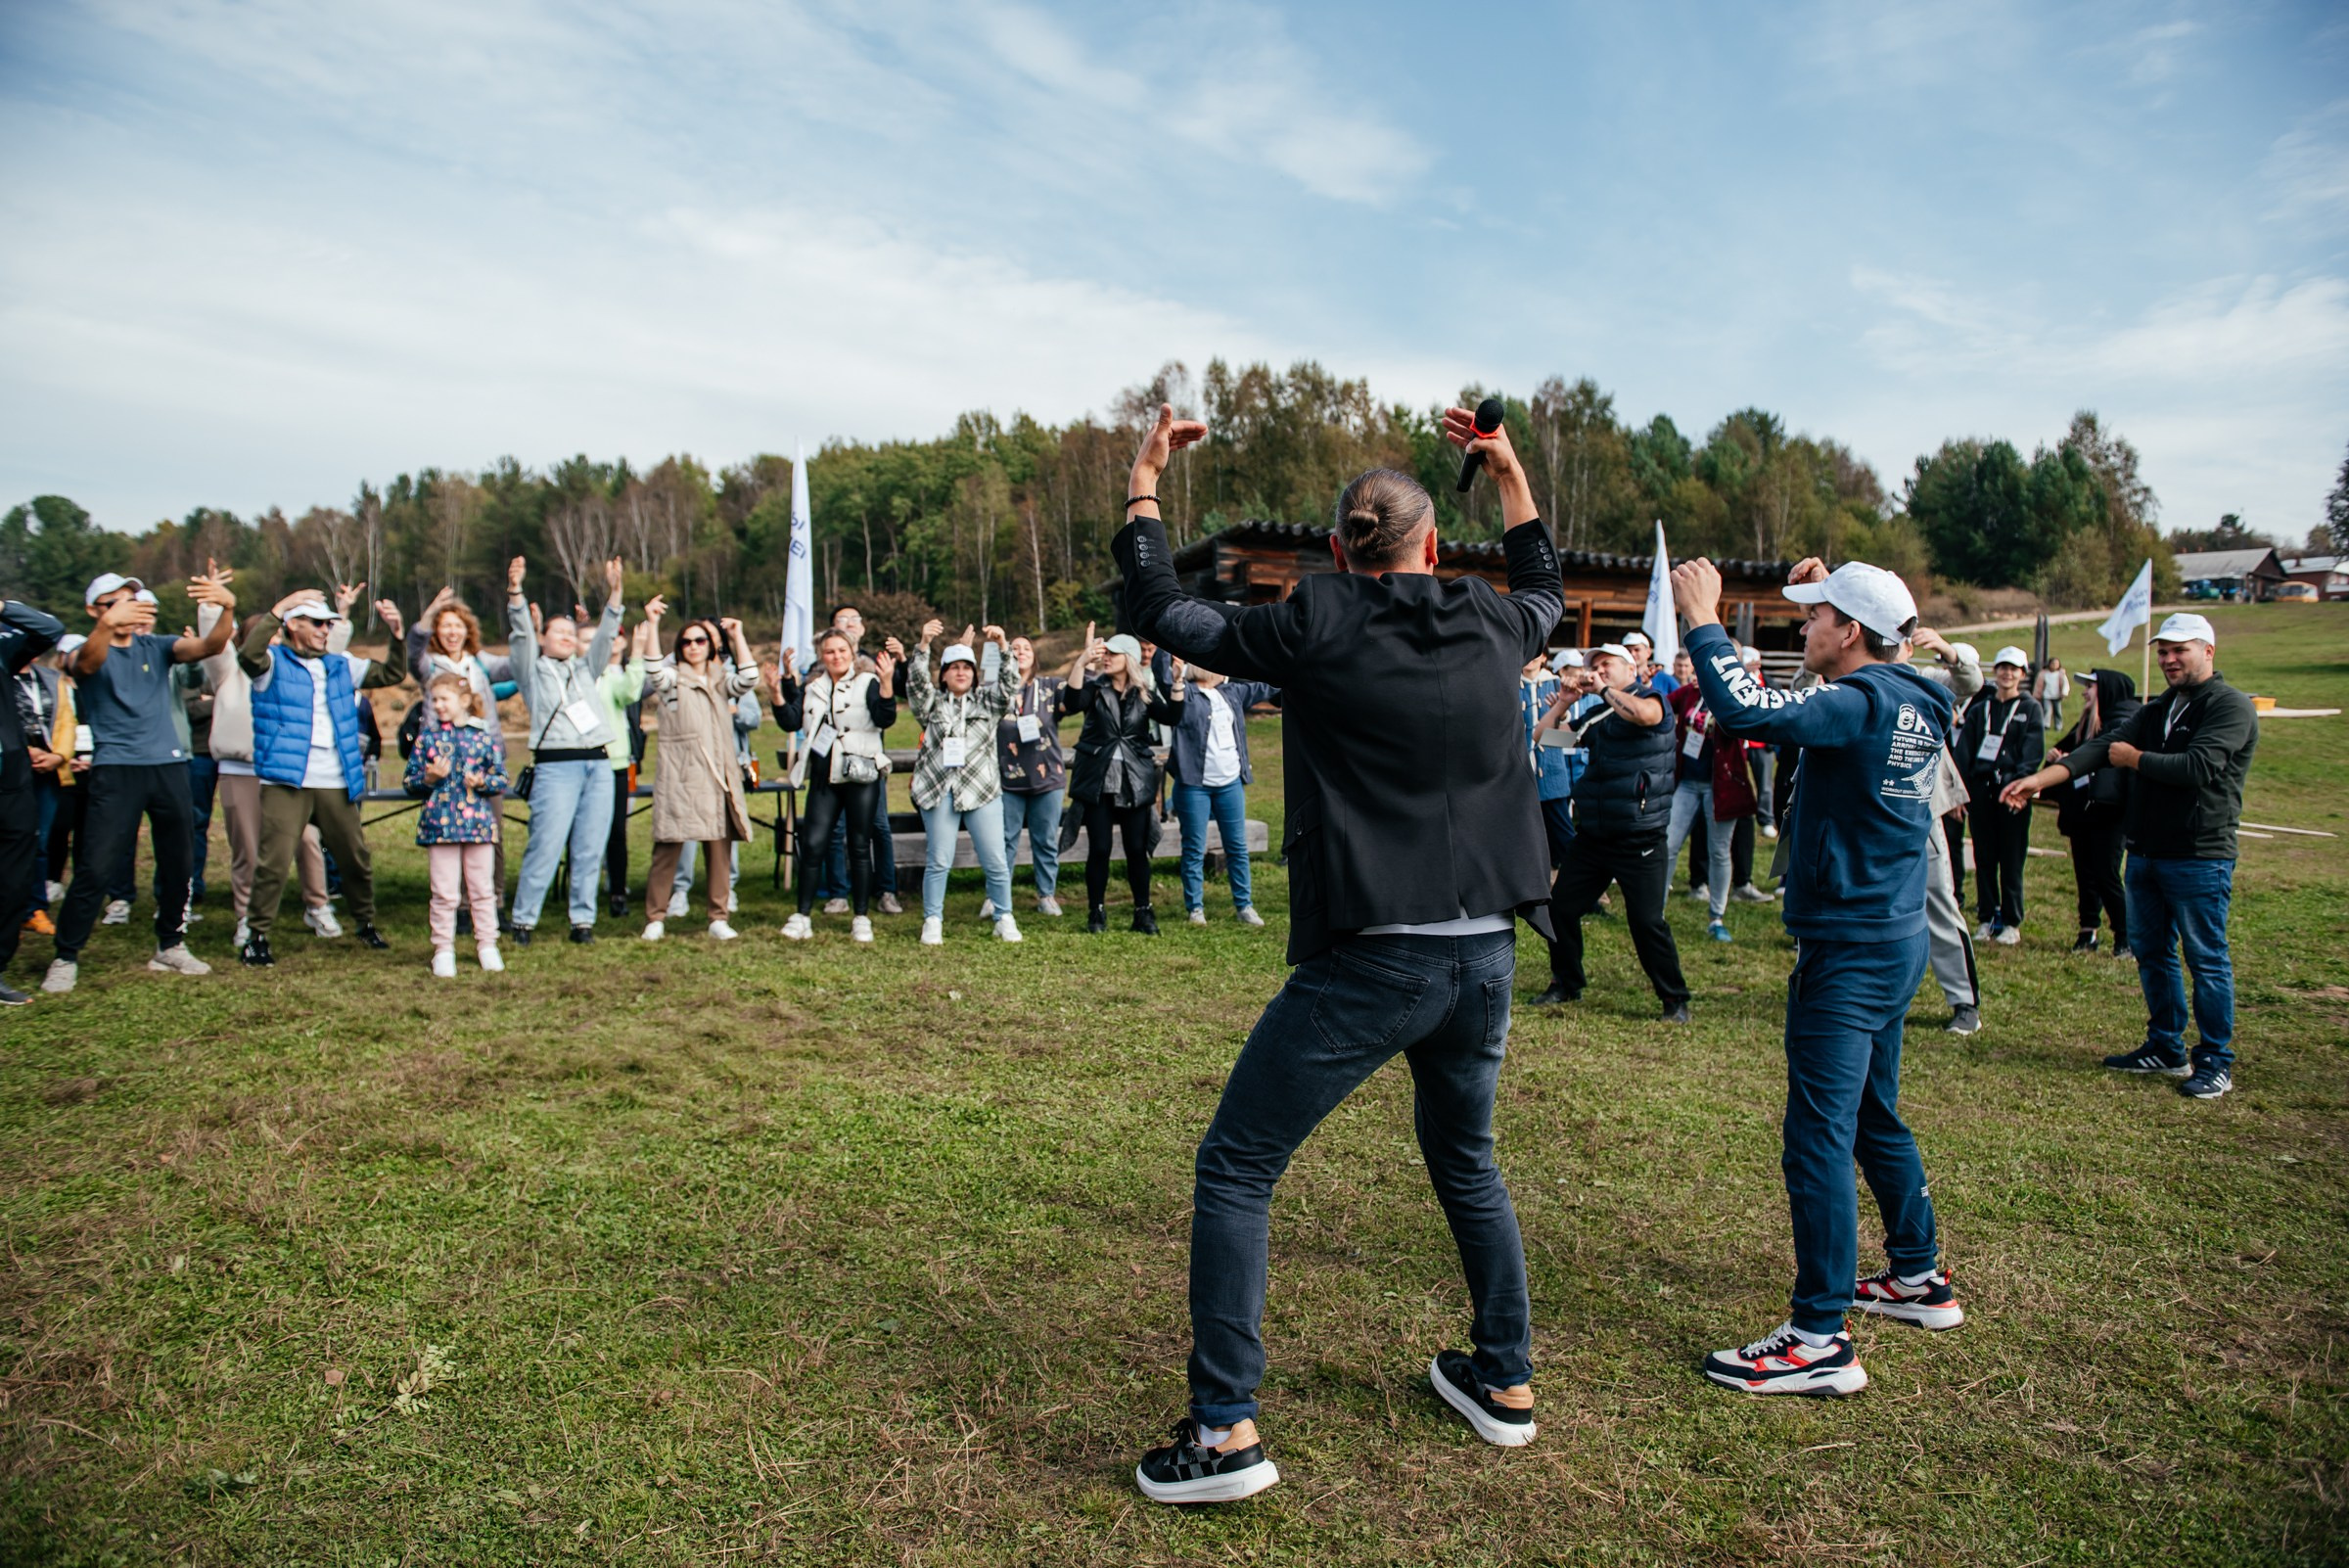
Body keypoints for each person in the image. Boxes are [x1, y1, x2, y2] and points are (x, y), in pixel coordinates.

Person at [1116, 403, 1563, 1502]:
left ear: (1336, 552)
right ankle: (1503, 1382)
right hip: (1489, 951)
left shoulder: (1316, 616)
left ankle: (1224, 1435)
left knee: (1237, 1166)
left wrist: (1143, 482)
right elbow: (1546, 583)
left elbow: (1159, 606)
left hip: (1379, 954)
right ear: (1431, 548)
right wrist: (1507, 474)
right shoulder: (1496, 621)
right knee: (1468, 1162)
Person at [1670, 555, 1963, 1398]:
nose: (1804, 629)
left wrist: (1702, 619)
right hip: (1895, 933)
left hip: (1851, 948)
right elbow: (1876, 658)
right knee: (1873, 1113)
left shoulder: (1861, 702)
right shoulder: (1916, 695)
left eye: (1817, 618)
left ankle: (1818, 1336)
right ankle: (1915, 1277)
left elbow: (1743, 706)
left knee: (1819, 1135)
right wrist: (1844, 588)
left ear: (1853, 633)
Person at [2001, 614, 2258, 1100]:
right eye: (2163, 651)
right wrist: (2040, 780)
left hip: (2199, 855)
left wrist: (2133, 759)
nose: (2168, 659)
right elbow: (2099, 747)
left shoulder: (2231, 706)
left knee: (2205, 959)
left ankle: (2215, 1060)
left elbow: (2198, 767)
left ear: (2208, 651)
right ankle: (2164, 1046)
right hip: (2144, 852)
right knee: (2153, 954)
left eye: (2179, 650)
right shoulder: (2161, 707)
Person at [44, 568, 237, 994]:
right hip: (117, 768)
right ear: (95, 609)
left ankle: (170, 944)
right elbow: (88, 664)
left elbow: (212, 645)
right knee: (96, 865)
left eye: (133, 599)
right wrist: (107, 626)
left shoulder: (158, 645)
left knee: (179, 862)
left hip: (167, 766)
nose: (131, 607)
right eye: (118, 601)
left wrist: (227, 606)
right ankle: (65, 955)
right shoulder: (82, 644)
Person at [234, 589, 407, 966]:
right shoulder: (272, 663)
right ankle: (257, 935)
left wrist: (397, 636)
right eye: (317, 622)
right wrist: (278, 607)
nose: (325, 629)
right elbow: (247, 655)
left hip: (335, 778)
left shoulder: (341, 663)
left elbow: (392, 673)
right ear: (293, 625)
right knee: (273, 861)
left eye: (329, 623)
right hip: (287, 779)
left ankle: (365, 924)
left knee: (355, 857)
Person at [1534, 643, 1690, 1018]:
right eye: (1594, 666)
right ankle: (1566, 983)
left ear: (1631, 670)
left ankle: (1674, 998)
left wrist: (1601, 688)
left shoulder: (1653, 701)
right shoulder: (1600, 714)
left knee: (1646, 922)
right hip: (1594, 837)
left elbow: (1643, 716)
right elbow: (1546, 737)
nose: (1598, 670)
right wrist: (1564, 703)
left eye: (1607, 665)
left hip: (1641, 838)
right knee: (1561, 908)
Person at [197, 596, 337, 949]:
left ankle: (317, 905)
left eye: (277, 637)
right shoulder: (230, 667)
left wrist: (342, 613)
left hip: (283, 770)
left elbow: (332, 654)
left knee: (307, 840)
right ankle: (245, 918)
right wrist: (213, 606)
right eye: (264, 636)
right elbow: (213, 644)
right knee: (247, 846)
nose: (272, 643)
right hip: (241, 769)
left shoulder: (291, 667)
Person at [506, 555, 625, 945]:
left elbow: (605, 637)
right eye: (558, 632)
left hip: (598, 765)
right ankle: (523, 921)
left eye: (571, 633)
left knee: (590, 847)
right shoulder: (532, 672)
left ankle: (582, 921)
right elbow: (522, 636)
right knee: (546, 843)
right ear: (544, 638)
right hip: (557, 768)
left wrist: (615, 593)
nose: (566, 638)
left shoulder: (586, 669)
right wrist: (516, 593)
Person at [901, 620, 1022, 945]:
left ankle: (1004, 916)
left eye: (966, 667)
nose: (960, 673)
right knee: (939, 859)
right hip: (938, 789)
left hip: (981, 790)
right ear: (943, 674)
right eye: (953, 668)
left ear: (974, 673)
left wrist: (1002, 646)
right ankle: (932, 919)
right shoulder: (932, 705)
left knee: (995, 860)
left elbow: (1010, 685)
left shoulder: (988, 702)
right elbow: (915, 685)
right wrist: (924, 644)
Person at [641, 615, 759, 942]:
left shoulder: (721, 679)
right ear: (678, 648)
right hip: (681, 777)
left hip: (717, 776)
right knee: (668, 848)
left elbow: (749, 678)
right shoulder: (671, 681)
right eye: (686, 642)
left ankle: (718, 916)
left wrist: (738, 635)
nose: (693, 647)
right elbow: (651, 668)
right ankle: (655, 917)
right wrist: (651, 624)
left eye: (700, 641)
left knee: (719, 849)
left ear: (710, 647)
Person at [777, 628, 898, 942]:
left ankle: (861, 916)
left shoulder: (867, 682)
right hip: (824, 776)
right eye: (830, 651)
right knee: (814, 842)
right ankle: (801, 914)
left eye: (842, 650)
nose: (836, 656)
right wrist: (777, 693)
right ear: (822, 656)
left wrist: (886, 684)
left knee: (859, 845)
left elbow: (885, 719)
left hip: (860, 773)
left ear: (852, 651)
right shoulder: (814, 687)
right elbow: (791, 721)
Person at [409, 588, 520, 922]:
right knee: (449, 836)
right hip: (442, 766)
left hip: (481, 764)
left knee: (491, 832)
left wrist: (530, 629)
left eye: (457, 625)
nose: (452, 632)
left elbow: (518, 665)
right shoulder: (430, 668)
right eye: (445, 626)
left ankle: (492, 901)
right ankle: (455, 906)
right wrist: (429, 615)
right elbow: (413, 651)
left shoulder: (481, 664)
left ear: (467, 630)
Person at [1065, 625, 1179, 935]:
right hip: (1099, 780)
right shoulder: (1096, 688)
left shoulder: (1143, 692)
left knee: (1136, 848)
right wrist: (1081, 662)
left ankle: (1143, 912)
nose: (1108, 658)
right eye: (1107, 653)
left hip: (1134, 780)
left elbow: (1173, 717)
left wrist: (1178, 682)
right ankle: (1096, 912)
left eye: (1114, 654)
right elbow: (1073, 701)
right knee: (1099, 848)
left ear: (1127, 658)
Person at [1908, 628, 1985, 1037]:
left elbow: (1970, 683)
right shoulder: (1846, 677)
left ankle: (1964, 1002)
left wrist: (1948, 652)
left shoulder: (1922, 680)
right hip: (1866, 816)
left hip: (1921, 812)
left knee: (1939, 900)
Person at [406, 671, 508, 977]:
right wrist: (429, 778)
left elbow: (501, 778)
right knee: (444, 892)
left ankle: (487, 944)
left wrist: (482, 781)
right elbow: (410, 782)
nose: (438, 705)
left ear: (463, 701)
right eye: (433, 699)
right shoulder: (427, 740)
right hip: (440, 827)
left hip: (477, 826)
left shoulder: (482, 738)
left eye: (444, 699)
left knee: (481, 889)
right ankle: (443, 948)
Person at [1164, 659, 1279, 926]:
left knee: (1237, 847)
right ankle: (1195, 909)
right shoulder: (1186, 693)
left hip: (1230, 783)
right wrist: (1175, 668)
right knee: (1194, 847)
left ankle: (1244, 906)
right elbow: (1168, 687)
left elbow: (1265, 687)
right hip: (1194, 785)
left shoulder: (1232, 692)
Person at [813, 603, 903, 916]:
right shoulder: (817, 671)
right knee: (836, 830)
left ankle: (886, 890)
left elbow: (891, 702)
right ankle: (839, 892)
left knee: (877, 826)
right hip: (831, 763)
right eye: (843, 620)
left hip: (866, 761)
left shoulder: (872, 665)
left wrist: (900, 662)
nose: (850, 624)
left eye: (855, 619)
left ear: (862, 629)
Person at [0, 597, 65, 1003]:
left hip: (10, 781)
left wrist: (4, 605)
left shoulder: (4, 648)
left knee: (12, 878)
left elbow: (49, 630)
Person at [1956, 646, 2043, 945]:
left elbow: (2032, 753)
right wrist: (1962, 793)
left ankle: (2011, 921)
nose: (2007, 674)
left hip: (2012, 792)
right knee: (1985, 857)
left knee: (2011, 858)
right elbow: (1965, 752)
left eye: (2013, 669)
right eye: (2003, 668)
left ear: (2022, 674)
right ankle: (1987, 917)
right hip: (1981, 790)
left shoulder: (2030, 708)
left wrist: (2020, 784)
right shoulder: (1982, 709)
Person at [1664, 667, 1757, 945]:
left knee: (1719, 850)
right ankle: (1655, 913)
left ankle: (1716, 916)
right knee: (1667, 844)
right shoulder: (1690, 692)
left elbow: (1739, 725)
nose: (1697, 673)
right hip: (1688, 782)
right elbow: (1662, 705)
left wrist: (1722, 695)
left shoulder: (1734, 696)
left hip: (1721, 786)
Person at [990, 634, 1071, 919]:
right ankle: (996, 896)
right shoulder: (996, 691)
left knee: (1046, 840)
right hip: (1007, 780)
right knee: (1003, 840)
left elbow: (1076, 696)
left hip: (1047, 778)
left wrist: (1087, 660)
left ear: (1034, 658)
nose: (1020, 652)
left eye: (1026, 648)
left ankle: (1046, 895)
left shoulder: (1049, 687)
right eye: (1014, 648)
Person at [598, 597, 659, 921]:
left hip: (622, 763)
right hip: (590, 762)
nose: (612, 642)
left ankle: (617, 890)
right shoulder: (587, 674)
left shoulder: (628, 675)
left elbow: (639, 687)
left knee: (617, 832)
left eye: (616, 636)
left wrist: (641, 649)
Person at [12, 633, 69, 942]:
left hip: (47, 769)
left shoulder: (49, 677)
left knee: (41, 839)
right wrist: (23, 751)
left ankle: (34, 907)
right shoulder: (4, 674)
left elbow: (65, 721)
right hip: (12, 767)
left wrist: (58, 755)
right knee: (12, 841)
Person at [1626, 630, 1675, 697]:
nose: (1632, 654)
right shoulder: (1619, 680)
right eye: (1628, 650)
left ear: (1648, 652)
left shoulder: (1665, 679)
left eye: (1637, 650)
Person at [2035, 655, 2070, 734]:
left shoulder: (2061, 674)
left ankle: (2058, 726)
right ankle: (2046, 725)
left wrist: (2064, 693)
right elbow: (2039, 685)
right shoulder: (2044, 674)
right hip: (2047, 695)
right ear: (2049, 664)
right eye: (2053, 663)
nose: (2054, 665)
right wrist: (2038, 694)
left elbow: (2065, 684)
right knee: (2047, 710)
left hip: (2057, 696)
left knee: (2058, 712)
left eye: (2056, 664)